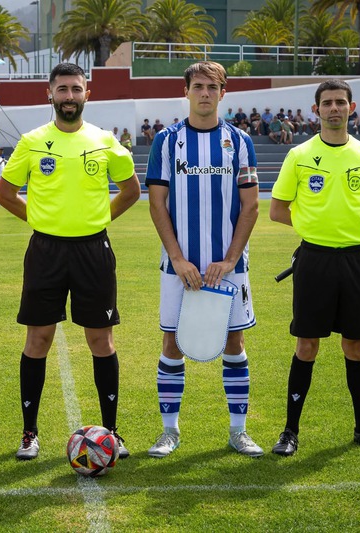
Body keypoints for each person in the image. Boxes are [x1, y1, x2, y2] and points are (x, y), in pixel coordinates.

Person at [0, 63, 141, 461]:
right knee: (38, 339)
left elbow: (131, 190)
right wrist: (41, 221)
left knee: (100, 340)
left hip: (94, 250)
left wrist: (100, 220)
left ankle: (111, 432)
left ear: (87, 94)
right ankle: (29, 433)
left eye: (76, 89)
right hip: (46, 252)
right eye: (62, 89)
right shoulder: (32, 141)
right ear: (50, 94)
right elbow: (5, 194)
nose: (69, 96)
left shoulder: (104, 140)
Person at [269, 79, 360, 456]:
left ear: (351, 108)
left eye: (341, 102)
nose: (334, 108)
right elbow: (276, 210)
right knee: (307, 345)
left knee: (355, 344)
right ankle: (290, 432)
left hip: (356, 260)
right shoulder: (299, 155)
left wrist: (346, 230)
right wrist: (315, 228)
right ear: (317, 110)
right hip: (314, 261)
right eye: (327, 103)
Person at [145, 61, 263, 459]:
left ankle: (238, 431)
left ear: (223, 93)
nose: (205, 93)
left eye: (213, 87)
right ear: (187, 91)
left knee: (234, 341)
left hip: (230, 268)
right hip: (178, 268)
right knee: (172, 342)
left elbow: (250, 206)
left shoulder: (239, 141)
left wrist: (230, 260)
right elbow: (157, 204)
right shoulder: (167, 141)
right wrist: (178, 258)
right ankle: (169, 431)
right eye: (198, 86)